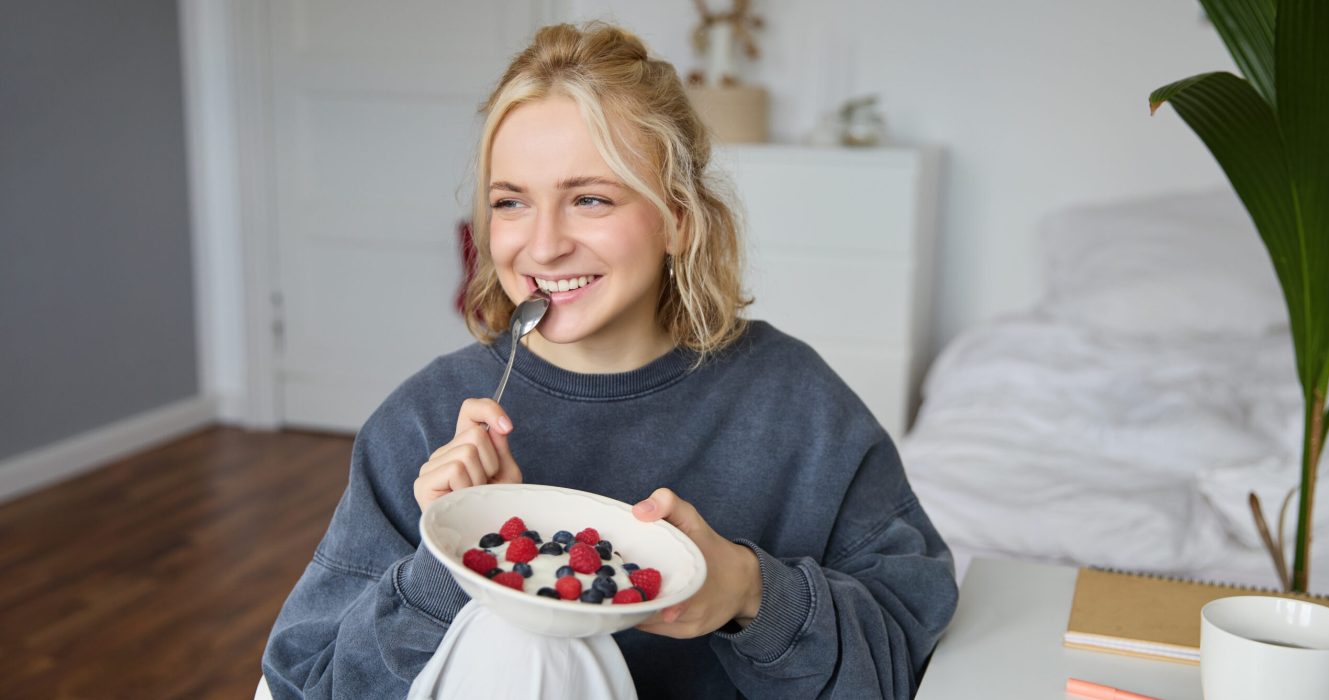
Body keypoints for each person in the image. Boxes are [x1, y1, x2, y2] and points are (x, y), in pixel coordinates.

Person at [262, 21, 958, 699]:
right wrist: (454, 554)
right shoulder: (421, 424)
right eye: (510, 203)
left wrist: (748, 591)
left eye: (589, 199)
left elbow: (912, 656)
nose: (543, 246)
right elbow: (307, 683)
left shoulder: (800, 406)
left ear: (679, 218)